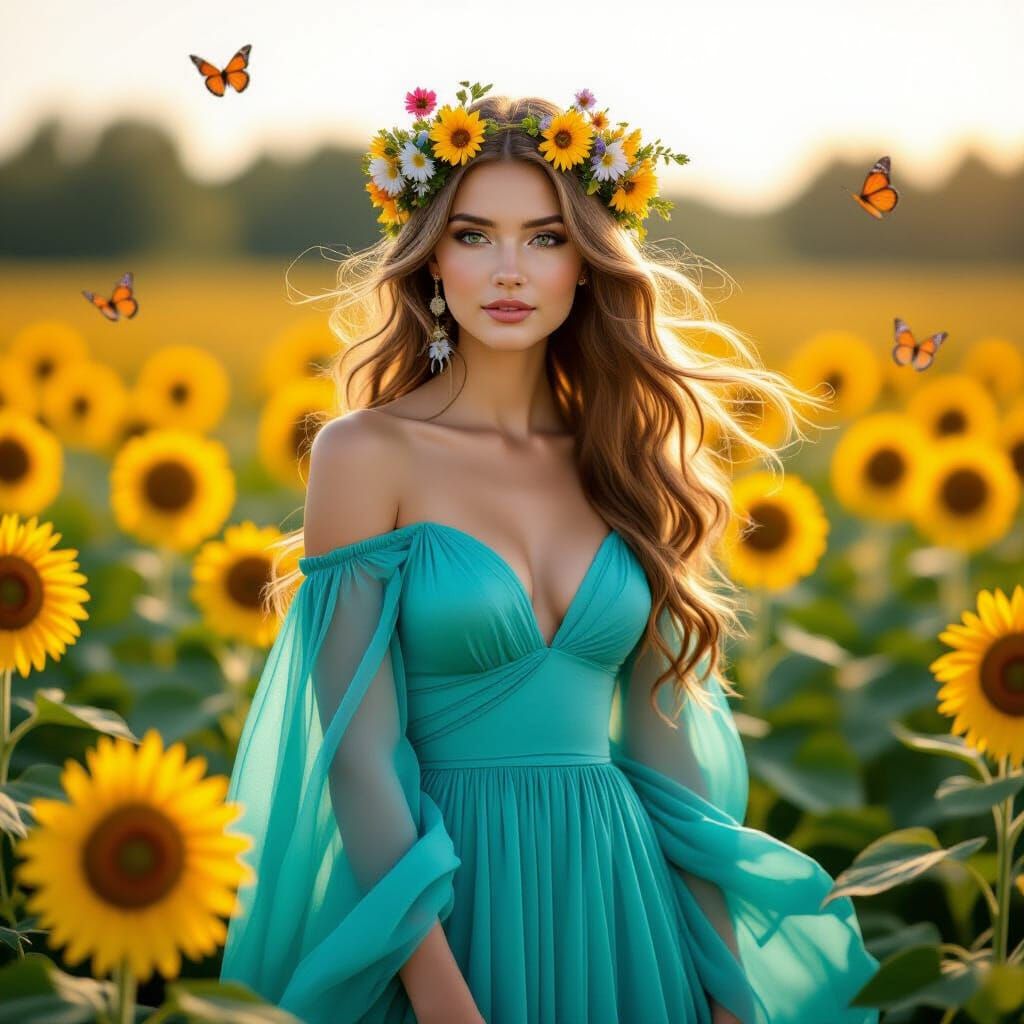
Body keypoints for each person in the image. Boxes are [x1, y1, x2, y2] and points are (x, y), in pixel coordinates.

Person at [219, 84, 881, 1024]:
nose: (509, 270)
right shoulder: (366, 454)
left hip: (625, 909)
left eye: (546, 236)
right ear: (430, 261)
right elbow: (359, 759)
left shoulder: (628, 460)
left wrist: (728, 992)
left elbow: (668, 765)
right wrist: (448, 1005)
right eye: (474, 233)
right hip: (444, 918)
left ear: (589, 263)